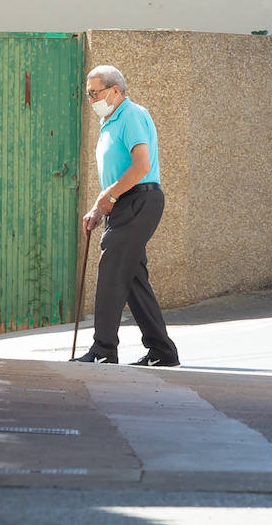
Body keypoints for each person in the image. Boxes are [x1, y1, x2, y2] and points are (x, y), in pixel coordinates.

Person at [70, 65, 180, 367]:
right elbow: (114, 174)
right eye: (88, 94)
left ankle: (104, 350)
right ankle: (163, 352)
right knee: (132, 278)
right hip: (124, 202)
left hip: (139, 199)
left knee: (111, 272)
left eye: (96, 93)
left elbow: (141, 165)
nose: (91, 99)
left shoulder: (130, 115)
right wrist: (99, 205)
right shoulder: (110, 121)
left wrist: (109, 196)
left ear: (115, 90)